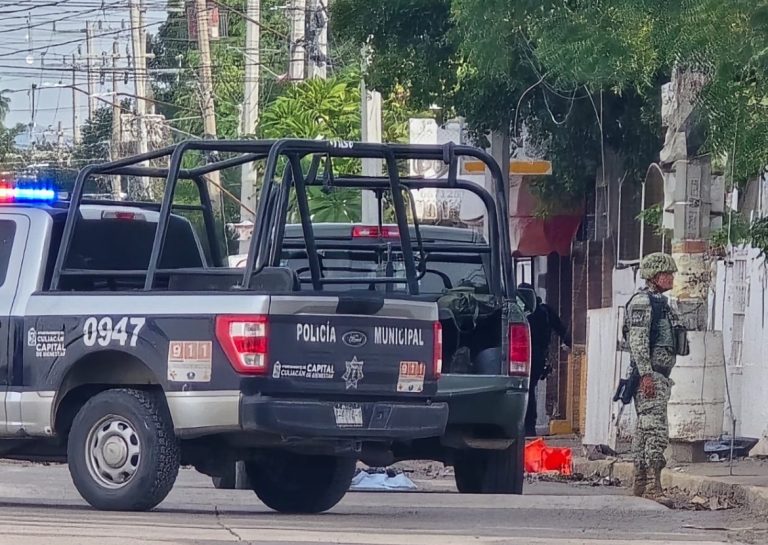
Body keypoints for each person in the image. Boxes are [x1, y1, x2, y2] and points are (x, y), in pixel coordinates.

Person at [625, 252, 681, 504]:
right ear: (655, 276)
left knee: (645, 429)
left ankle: (640, 483)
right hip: (651, 376)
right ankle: (652, 486)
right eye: (667, 273)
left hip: (658, 375)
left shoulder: (660, 303)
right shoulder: (643, 302)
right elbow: (637, 341)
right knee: (656, 430)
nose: (672, 277)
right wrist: (646, 374)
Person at [518, 283, 571, 437]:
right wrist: (570, 343)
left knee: (522, 390)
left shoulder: (518, 310)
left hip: (521, 354)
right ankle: (529, 427)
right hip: (537, 356)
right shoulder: (544, 311)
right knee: (529, 389)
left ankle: (524, 427)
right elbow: (561, 329)